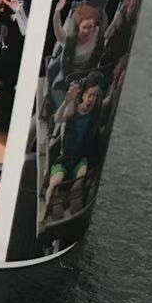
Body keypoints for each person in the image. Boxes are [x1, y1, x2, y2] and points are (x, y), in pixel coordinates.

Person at [41, 72, 107, 222]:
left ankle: (73, 195)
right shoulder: (73, 110)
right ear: (83, 94)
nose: (92, 99)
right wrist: (67, 101)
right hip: (65, 158)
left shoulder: (96, 112)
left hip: (80, 159)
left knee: (81, 174)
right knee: (55, 181)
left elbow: (108, 102)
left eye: (95, 96)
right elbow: (58, 118)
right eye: (90, 95)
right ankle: (48, 207)